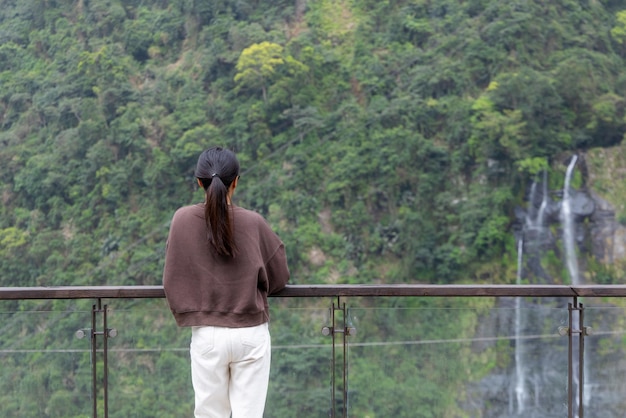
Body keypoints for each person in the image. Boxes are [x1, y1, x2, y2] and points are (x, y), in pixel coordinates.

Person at [163, 146, 290, 418]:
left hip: (207, 332)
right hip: (250, 331)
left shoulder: (182, 219)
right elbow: (279, 277)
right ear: (236, 181)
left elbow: (172, 274)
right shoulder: (254, 223)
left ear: (199, 182)